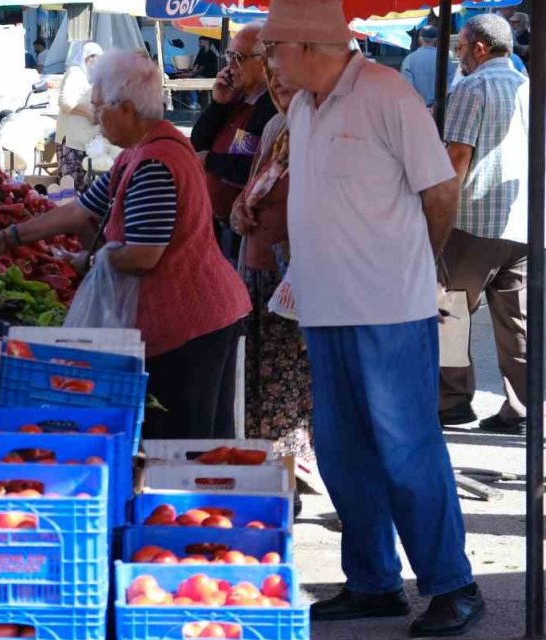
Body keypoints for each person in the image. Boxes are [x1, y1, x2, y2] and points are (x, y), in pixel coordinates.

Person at [262, 0, 483, 635]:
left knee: (406, 448)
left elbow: (440, 189)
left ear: (307, 46)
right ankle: (374, 582)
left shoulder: (387, 92)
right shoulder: (303, 106)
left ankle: (453, 583)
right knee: (341, 451)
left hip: (388, 305)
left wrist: (422, 259)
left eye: (275, 47)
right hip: (325, 306)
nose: (271, 61)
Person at [0, 51, 250, 440]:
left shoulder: (155, 163)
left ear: (127, 109)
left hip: (191, 319)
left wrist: (93, 259)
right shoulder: (143, 149)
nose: (96, 118)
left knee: (184, 440)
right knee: (199, 438)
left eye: (99, 109)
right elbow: (80, 211)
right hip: (202, 312)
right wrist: (6, 238)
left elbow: (145, 255)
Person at [439, 14, 530, 436]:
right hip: (524, 222)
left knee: (451, 311)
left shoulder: (472, 87)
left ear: (478, 48)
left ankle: (453, 400)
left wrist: (439, 212)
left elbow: (457, 156)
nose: (458, 55)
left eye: (460, 48)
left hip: (474, 220)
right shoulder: (529, 87)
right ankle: (523, 406)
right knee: (518, 323)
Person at [227, 58, 311, 461]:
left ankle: (288, 469)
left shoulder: (319, 132)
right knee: (260, 376)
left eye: (287, 76)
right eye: (272, 74)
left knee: (288, 380)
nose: (278, 83)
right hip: (259, 269)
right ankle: (270, 464)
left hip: (298, 278)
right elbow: (249, 189)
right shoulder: (277, 128)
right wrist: (240, 210)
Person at [191, 23, 277, 262]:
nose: (230, 66)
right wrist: (218, 103)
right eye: (229, 55)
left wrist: (210, 161)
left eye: (240, 58)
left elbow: (247, 167)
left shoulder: (270, 106)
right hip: (216, 221)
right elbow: (198, 140)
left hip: (242, 228)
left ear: (265, 60)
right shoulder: (235, 97)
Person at [56, 42, 103, 188]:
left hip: (86, 142)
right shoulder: (75, 73)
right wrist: (88, 113)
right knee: (70, 188)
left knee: (85, 187)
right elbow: (65, 101)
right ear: (88, 58)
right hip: (71, 141)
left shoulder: (92, 77)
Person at [401, 26, 456, 107]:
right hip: (440, 111)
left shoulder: (409, 60)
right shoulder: (445, 59)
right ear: (437, 40)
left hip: (418, 110)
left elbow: (407, 88)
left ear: (420, 40)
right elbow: (451, 86)